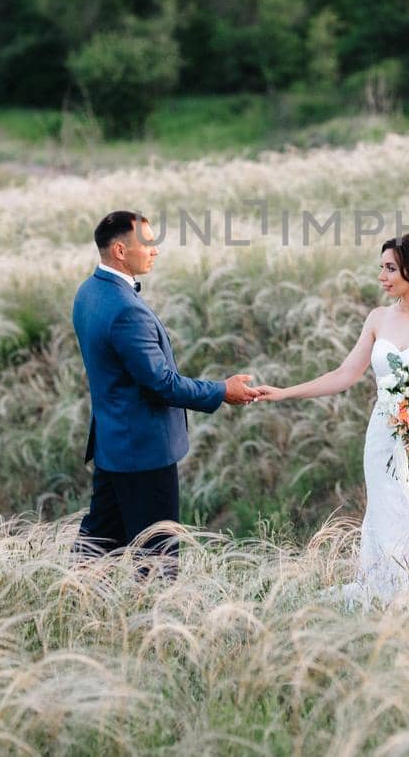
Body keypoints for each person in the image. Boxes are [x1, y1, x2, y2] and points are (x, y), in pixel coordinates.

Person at [255, 232, 409, 615]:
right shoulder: (378, 319)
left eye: (389, 268)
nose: (381, 276)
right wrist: (284, 392)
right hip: (385, 436)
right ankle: (398, 600)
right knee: (391, 513)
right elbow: (345, 374)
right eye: (380, 268)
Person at [70, 210, 259, 568]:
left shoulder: (88, 292)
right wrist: (222, 391)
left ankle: (70, 606)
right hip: (143, 452)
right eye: (148, 243)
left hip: (112, 444)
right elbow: (162, 384)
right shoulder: (126, 310)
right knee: (157, 559)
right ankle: (155, 621)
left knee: (95, 550)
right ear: (121, 251)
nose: (155, 250)